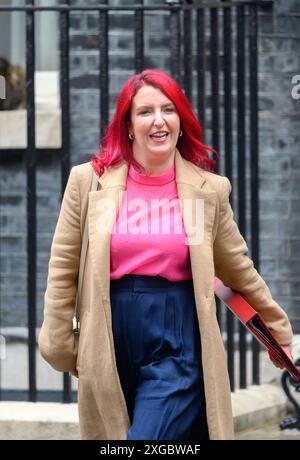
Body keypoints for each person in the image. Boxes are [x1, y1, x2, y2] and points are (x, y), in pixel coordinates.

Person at [39, 69, 294, 441]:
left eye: (168, 110)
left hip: (176, 335)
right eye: (145, 112)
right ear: (127, 125)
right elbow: (63, 265)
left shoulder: (207, 190)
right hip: (108, 333)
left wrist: (279, 334)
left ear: (180, 121)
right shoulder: (89, 181)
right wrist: (60, 341)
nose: (159, 120)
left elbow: (238, 269)